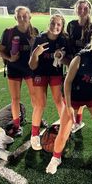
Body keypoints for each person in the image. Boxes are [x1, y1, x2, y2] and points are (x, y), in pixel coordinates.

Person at [46, 27, 92, 175]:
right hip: (74, 97)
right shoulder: (81, 57)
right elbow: (67, 82)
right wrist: (68, 106)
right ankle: (56, 158)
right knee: (64, 131)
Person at [29, 14, 71, 150]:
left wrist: (61, 56)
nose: (55, 26)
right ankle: (34, 135)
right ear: (49, 23)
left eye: (59, 24)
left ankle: (66, 129)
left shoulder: (63, 40)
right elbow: (32, 65)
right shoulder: (40, 39)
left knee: (59, 102)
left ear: (62, 26)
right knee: (40, 104)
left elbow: (68, 62)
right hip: (40, 73)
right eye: (53, 23)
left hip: (55, 73)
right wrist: (36, 53)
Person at [0, 6, 38, 136]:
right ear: (15, 17)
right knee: (15, 98)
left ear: (29, 17)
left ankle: (36, 120)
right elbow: (1, 50)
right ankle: (16, 125)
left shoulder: (34, 32)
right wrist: (10, 58)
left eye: (24, 16)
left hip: (30, 69)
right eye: (19, 16)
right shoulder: (9, 32)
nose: (22, 18)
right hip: (14, 68)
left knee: (35, 97)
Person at [66, 0, 92, 133]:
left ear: (89, 10)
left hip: (85, 64)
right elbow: (68, 43)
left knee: (81, 91)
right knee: (72, 90)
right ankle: (75, 120)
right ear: (76, 9)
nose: (82, 10)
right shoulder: (71, 24)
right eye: (79, 8)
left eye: (85, 8)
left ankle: (77, 121)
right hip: (71, 62)